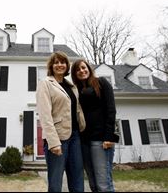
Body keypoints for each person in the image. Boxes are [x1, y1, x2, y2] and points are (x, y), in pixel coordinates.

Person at [36, 51, 86, 192]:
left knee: (77, 179)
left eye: (63, 62)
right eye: (56, 62)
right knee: (56, 183)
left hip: (75, 136)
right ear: (51, 66)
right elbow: (45, 115)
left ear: (67, 65)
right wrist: (53, 142)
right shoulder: (45, 84)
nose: (60, 65)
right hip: (58, 138)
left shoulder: (71, 86)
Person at [71, 59, 119, 192]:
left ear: (89, 68)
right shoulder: (76, 91)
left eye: (83, 67)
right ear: (75, 74)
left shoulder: (101, 82)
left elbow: (111, 109)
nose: (81, 71)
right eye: (78, 70)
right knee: (92, 182)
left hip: (101, 140)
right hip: (84, 141)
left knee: (103, 183)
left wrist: (109, 136)